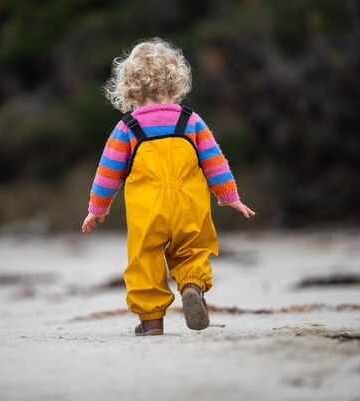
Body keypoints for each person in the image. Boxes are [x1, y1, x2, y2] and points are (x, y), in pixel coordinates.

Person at [81, 38, 255, 336]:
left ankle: (151, 321)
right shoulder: (191, 121)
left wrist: (98, 208)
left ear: (129, 88)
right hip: (189, 205)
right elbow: (215, 160)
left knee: (144, 259)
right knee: (193, 249)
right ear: (175, 83)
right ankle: (191, 286)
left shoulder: (128, 127)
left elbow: (108, 172)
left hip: (147, 212)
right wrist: (229, 197)